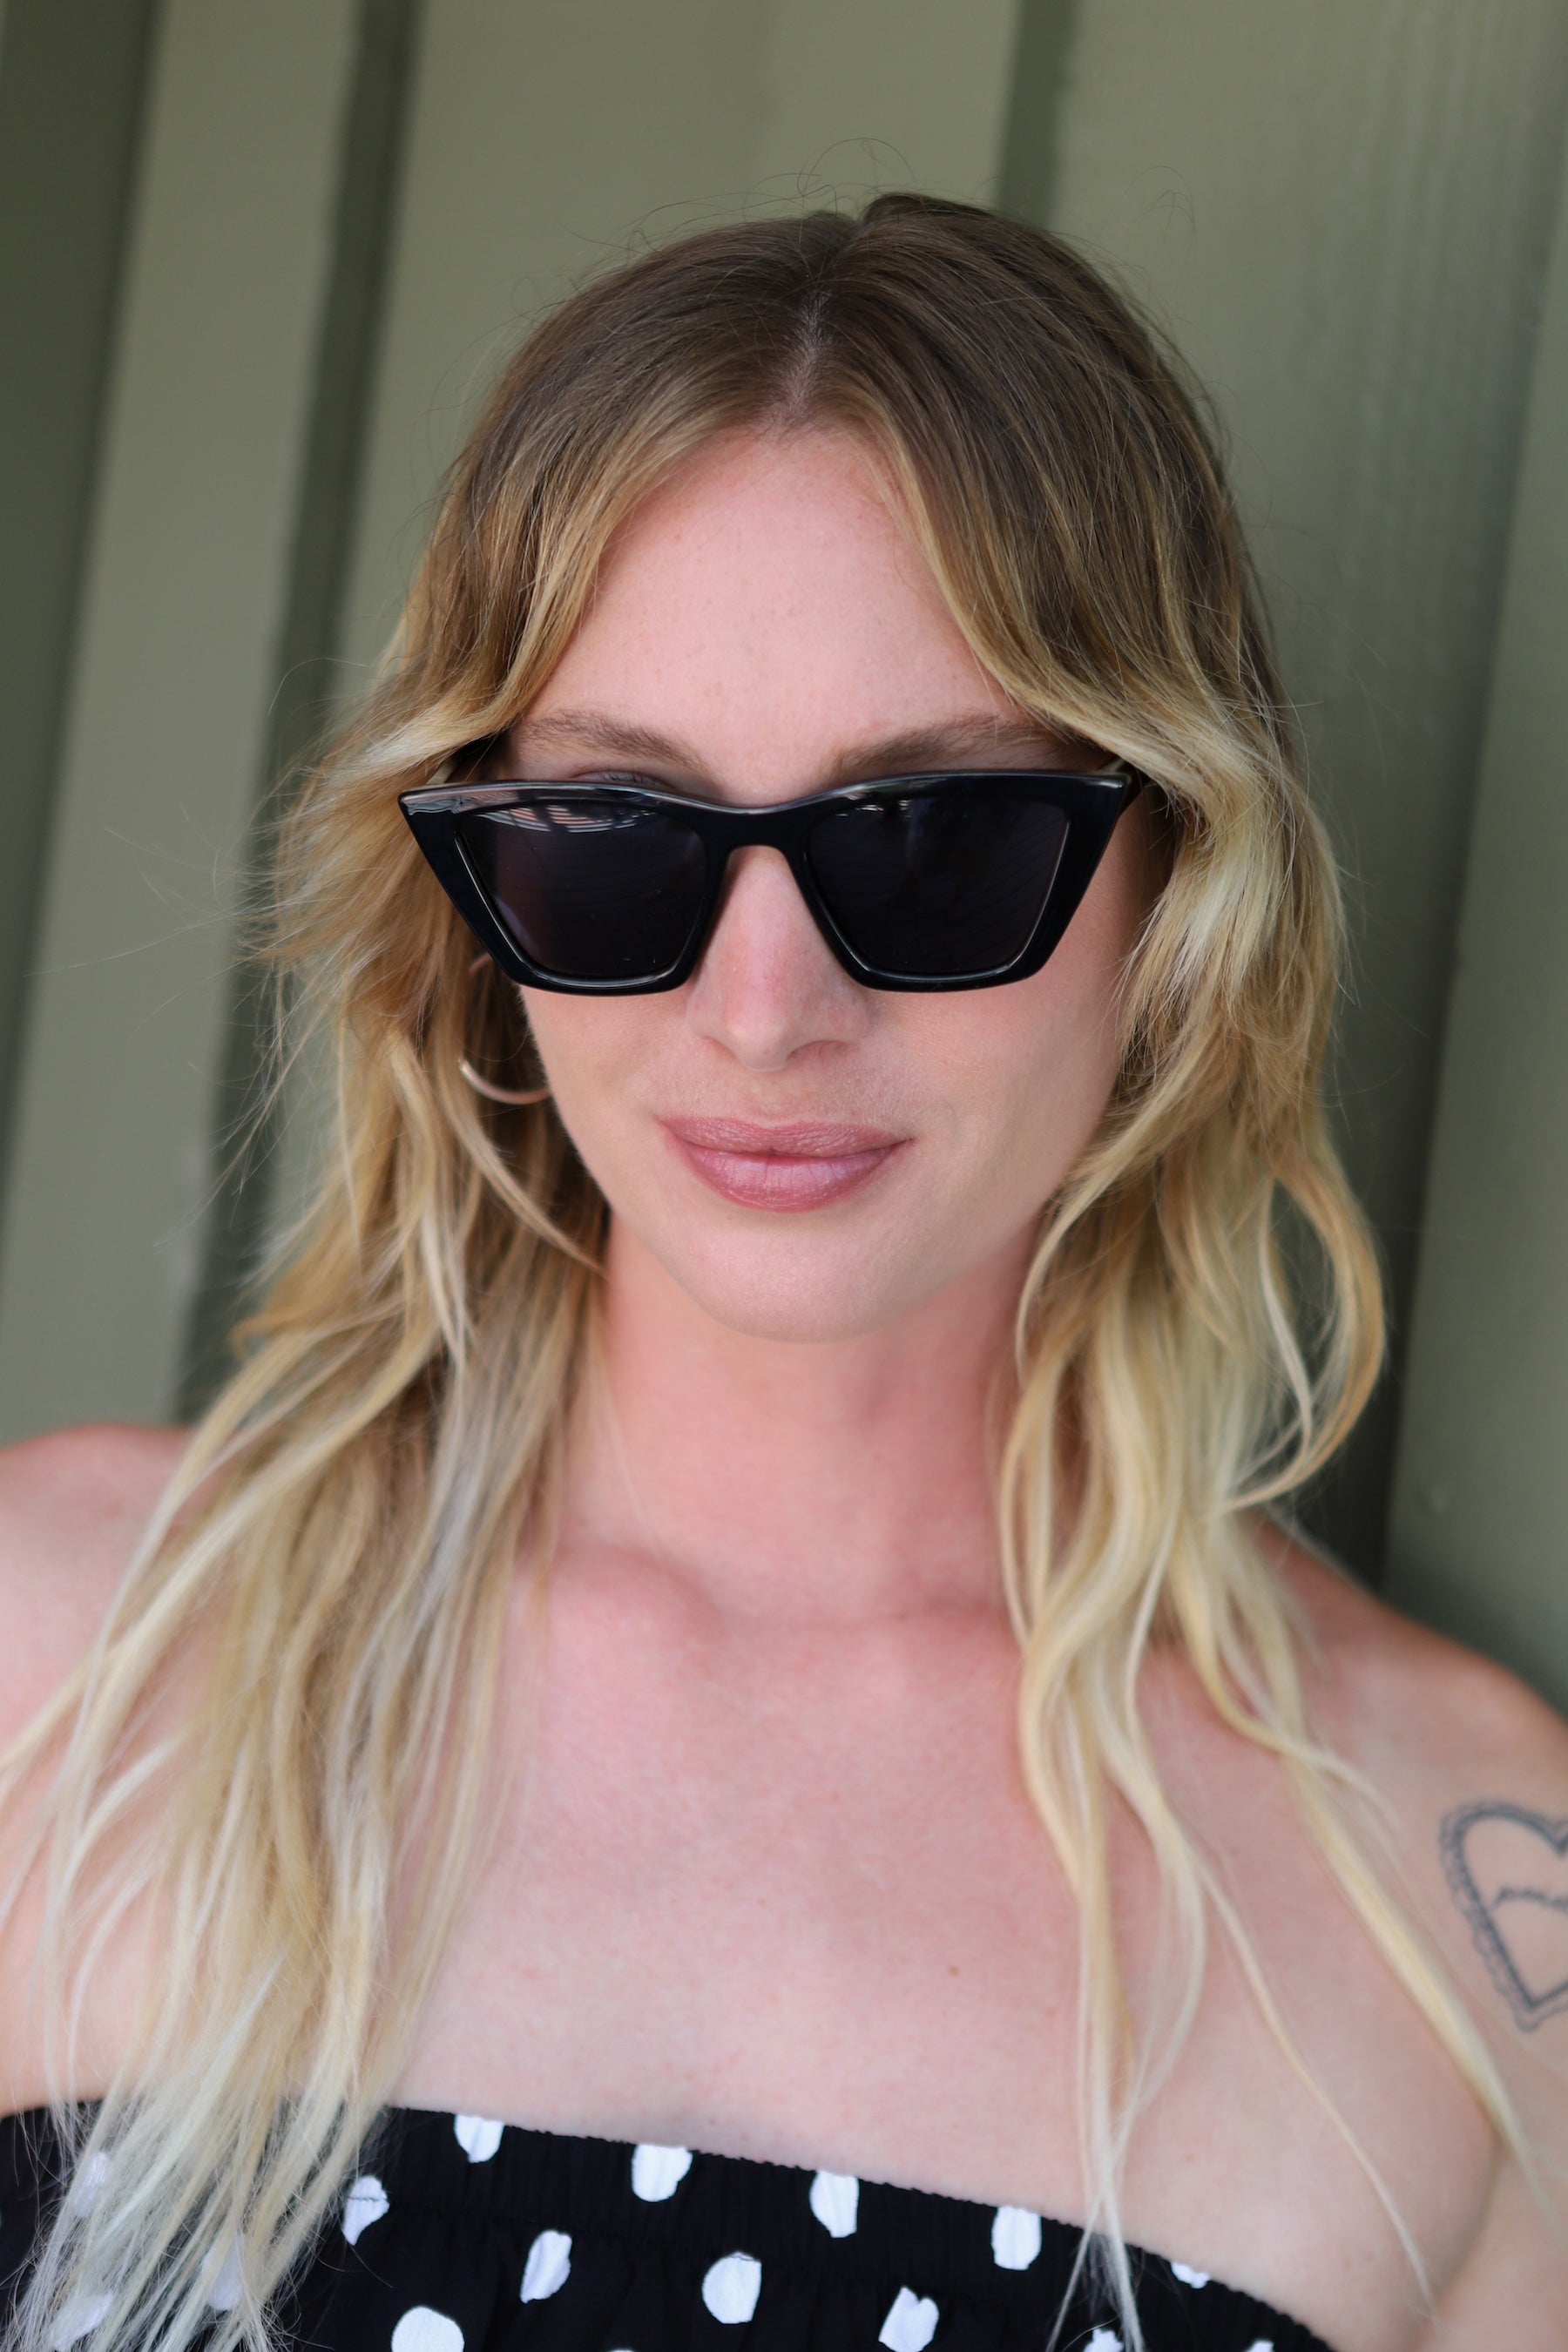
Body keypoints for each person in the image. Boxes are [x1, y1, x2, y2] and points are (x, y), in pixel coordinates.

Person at [0, 197, 1562, 2352]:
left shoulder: (1465, 1913)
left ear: (1181, 880)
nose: (763, 1008)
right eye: (615, 837)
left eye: (929, 842)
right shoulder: (55, 1659)